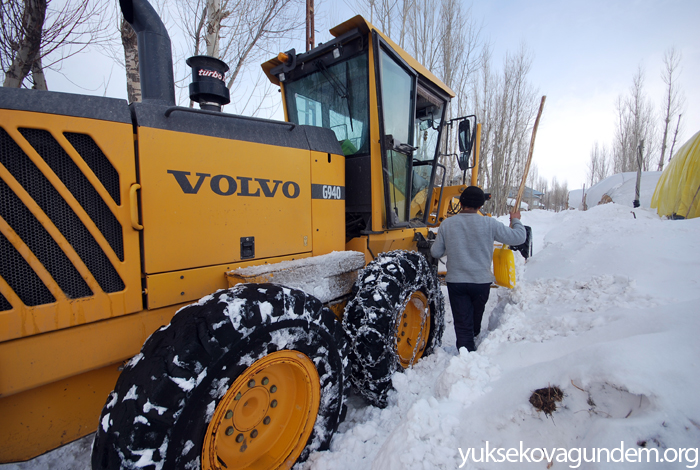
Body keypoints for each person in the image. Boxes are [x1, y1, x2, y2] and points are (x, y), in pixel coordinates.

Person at [430, 186, 526, 352]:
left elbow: (436, 252)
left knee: (462, 321)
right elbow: (519, 237)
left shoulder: (448, 224)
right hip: (481, 283)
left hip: (456, 282)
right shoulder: (489, 223)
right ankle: (473, 345)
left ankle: (465, 354)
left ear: (460, 203)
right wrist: (515, 220)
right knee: (475, 316)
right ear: (481, 205)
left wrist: (452, 245)